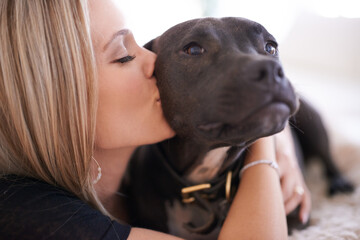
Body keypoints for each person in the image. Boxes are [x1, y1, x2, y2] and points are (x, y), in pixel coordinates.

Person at [0, 0, 310, 239]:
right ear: (62, 100)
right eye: (123, 55)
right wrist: (263, 144)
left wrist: (265, 122)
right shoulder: (26, 209)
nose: (155, 58)